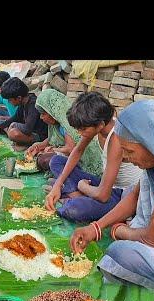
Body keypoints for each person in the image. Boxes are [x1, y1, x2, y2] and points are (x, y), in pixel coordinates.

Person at [69, 99, 154, 301]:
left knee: (120, 253)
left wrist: (120, 231)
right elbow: (134, 196)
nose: (125, 157)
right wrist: (95, 227)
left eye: (129, 151)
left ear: (153, 143)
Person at [44, 92, 142, 223]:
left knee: (73, 209)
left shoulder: (116, 139)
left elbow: (103, 195)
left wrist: (82, 186)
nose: (79, 133)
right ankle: (72, 193)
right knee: (56, 161)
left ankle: (74, 197)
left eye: (83, 129)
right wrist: (58, 184)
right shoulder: (98, 126)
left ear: (100, 124)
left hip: (124, 195)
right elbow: (77, 151)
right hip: (106, 185)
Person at [0, 77, 48, 147]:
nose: (9, 102)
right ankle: (16, 139)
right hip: (26, 128)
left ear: (19, 98)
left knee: (13, 134)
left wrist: (14, 125)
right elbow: (16, 117)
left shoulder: (33, 105)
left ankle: (28, 142)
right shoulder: (23, 101)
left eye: (10, 100)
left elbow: (27, 129)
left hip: (37, 134)